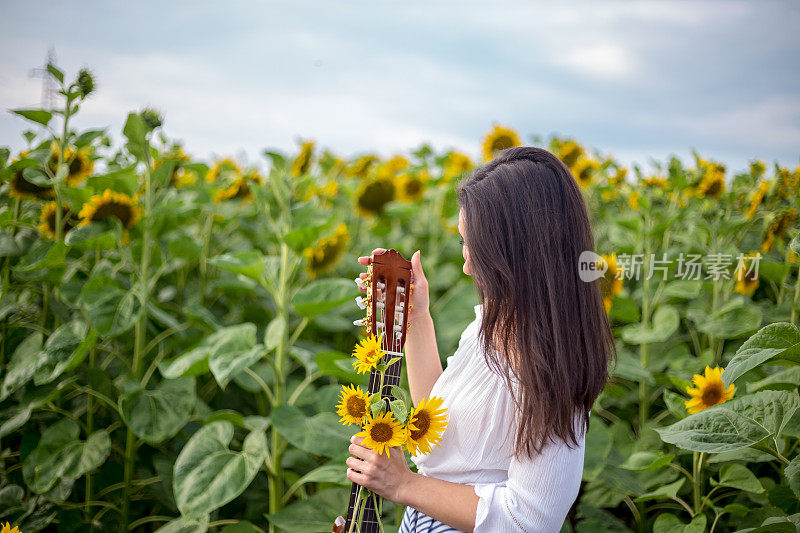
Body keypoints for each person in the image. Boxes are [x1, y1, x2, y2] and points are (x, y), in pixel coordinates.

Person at [346, 146, 616, 532]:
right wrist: (416, 318)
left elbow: (530, 522)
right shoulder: (492, 324)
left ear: (518, 252)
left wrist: (404, 484)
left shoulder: (551, 366)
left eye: (477, 247)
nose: (467, 264)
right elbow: (436, 437)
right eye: (463, 243)